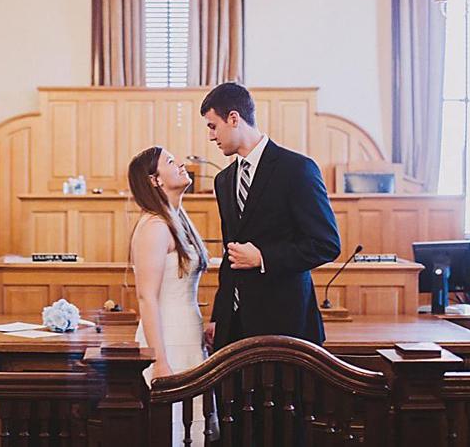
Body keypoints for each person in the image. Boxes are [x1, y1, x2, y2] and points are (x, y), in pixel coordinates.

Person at [200, 82, 341, 352]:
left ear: (233, 118)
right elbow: (231, 255)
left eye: (212, 126)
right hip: (234, 328)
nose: (211, 136)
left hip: (286, 323)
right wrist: (220, 316)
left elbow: (326, 244)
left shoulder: (297, 169)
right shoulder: (223, 180)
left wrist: (263, 257)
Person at [128, 146, 219, 445]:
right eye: (170, 161)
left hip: (189, 335)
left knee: (194, 430)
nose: (180, 164)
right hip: (167, 340)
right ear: (155, 179)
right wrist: (160, 360)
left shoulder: (178, 219)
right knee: (175, 432)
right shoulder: (154, 226)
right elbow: (147, 298)